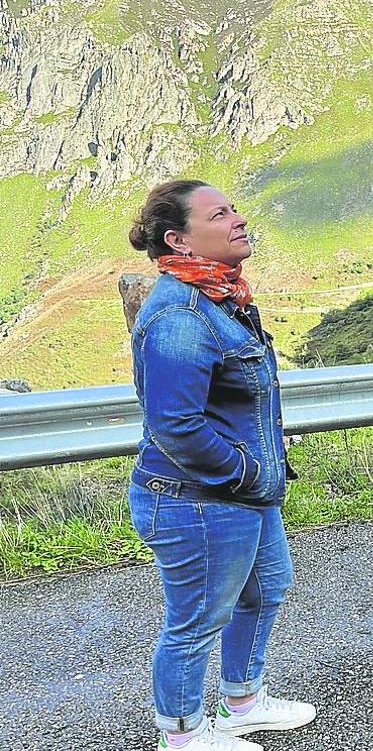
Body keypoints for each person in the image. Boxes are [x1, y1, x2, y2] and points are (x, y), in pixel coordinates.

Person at [128, 180, 315, 750]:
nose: (237, 219)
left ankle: (242, 702)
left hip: (238, 493)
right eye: (219, 214)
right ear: (179, 240)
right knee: (196, 621)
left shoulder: (221, 297)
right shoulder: (181, 317)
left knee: (265, 590)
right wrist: (249, 471)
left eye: (233, 208)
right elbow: (176, 425)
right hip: (196, 498)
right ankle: (181, 736)